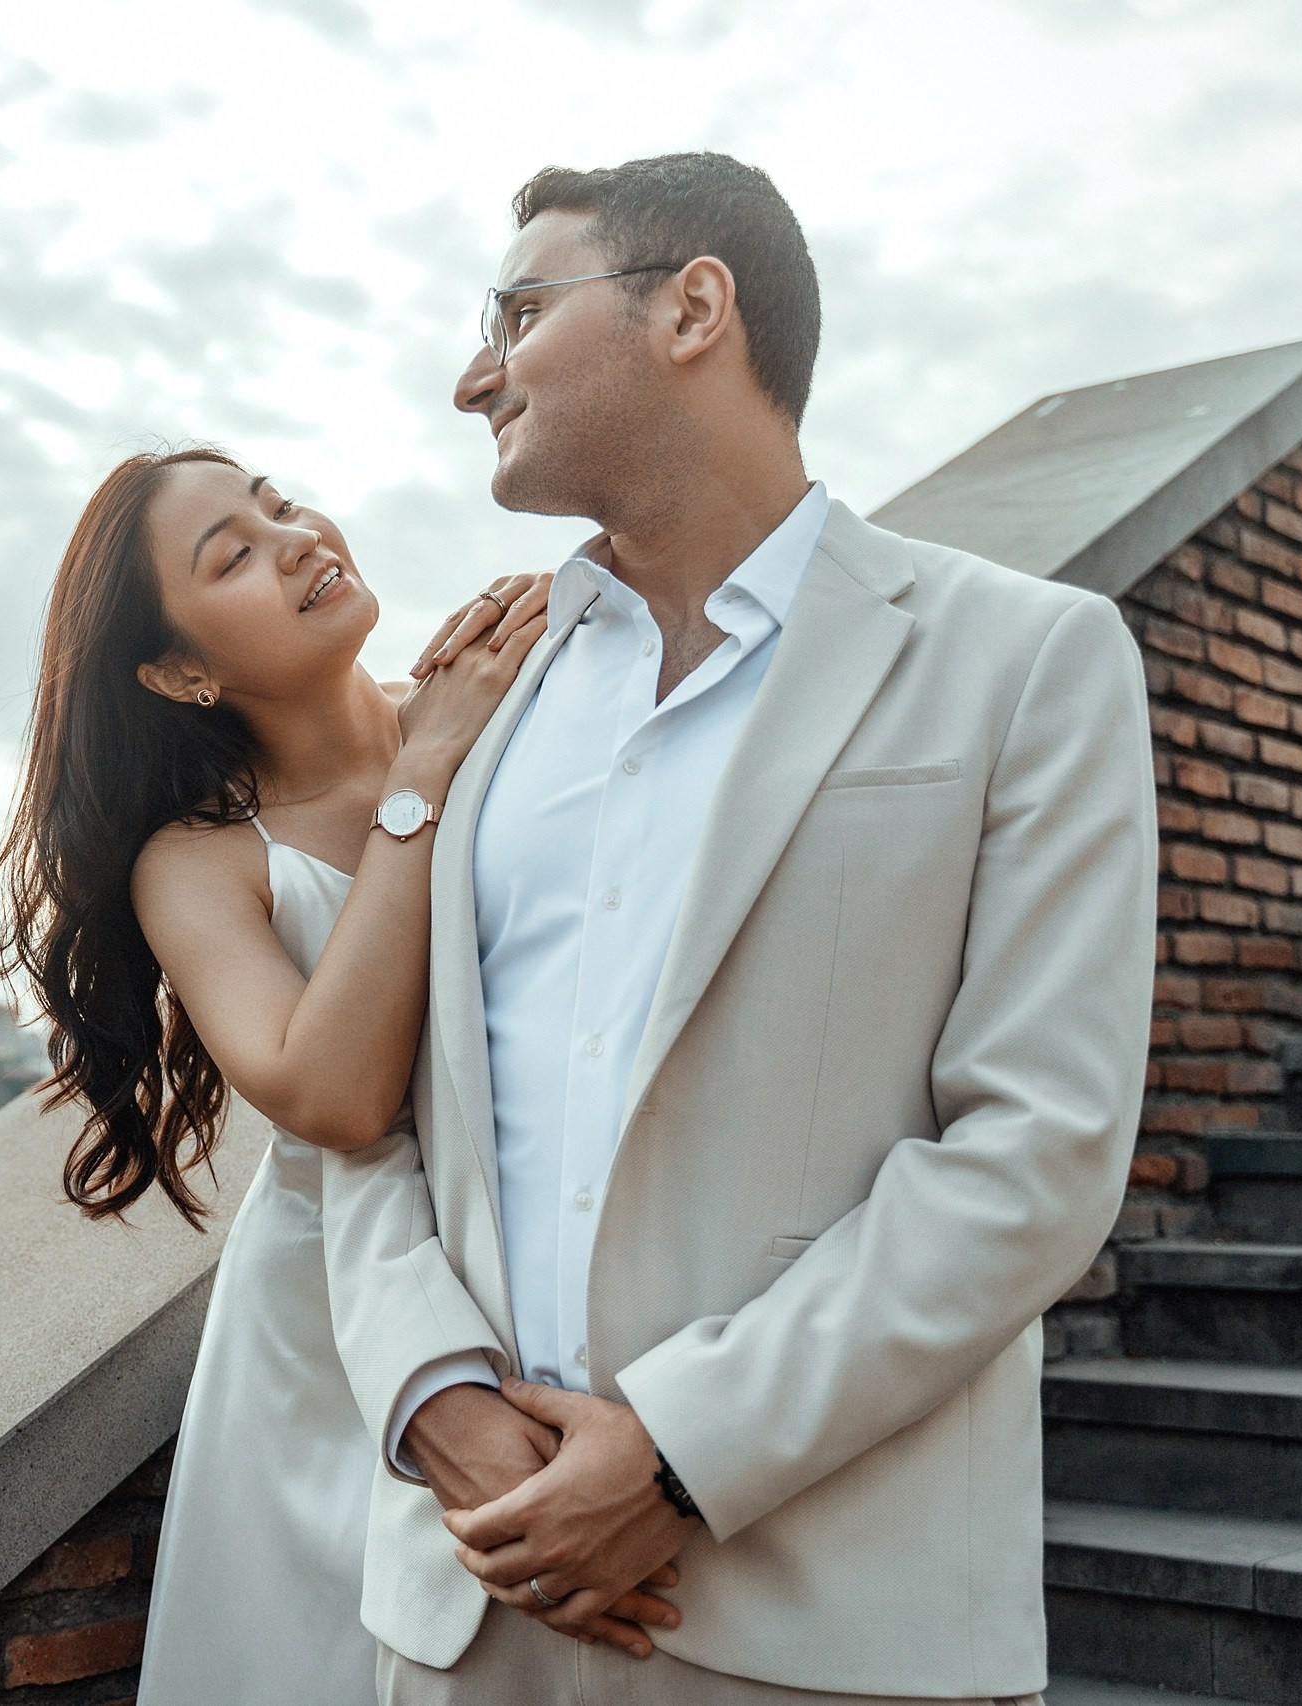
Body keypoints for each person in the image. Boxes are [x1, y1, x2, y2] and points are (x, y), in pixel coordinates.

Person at [326, 153, 1158, 1703]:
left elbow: (1037, 1149)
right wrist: (430, 1389)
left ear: (694, 307)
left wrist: (681, 1450)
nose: (469, 375)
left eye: (515, 311)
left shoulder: (1026, 658)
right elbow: (367, 1108)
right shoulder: (467, 701)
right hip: (464, 1604)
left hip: (823, 1620)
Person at [0, 449, 684, 1706]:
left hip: (541, 1243)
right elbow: (335, 1094)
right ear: (180, 670)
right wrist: (419, 776)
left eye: (279, 502)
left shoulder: (510, 686)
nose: (294, 537)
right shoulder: (196, 863)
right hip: (322, 1332)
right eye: (232, 553)